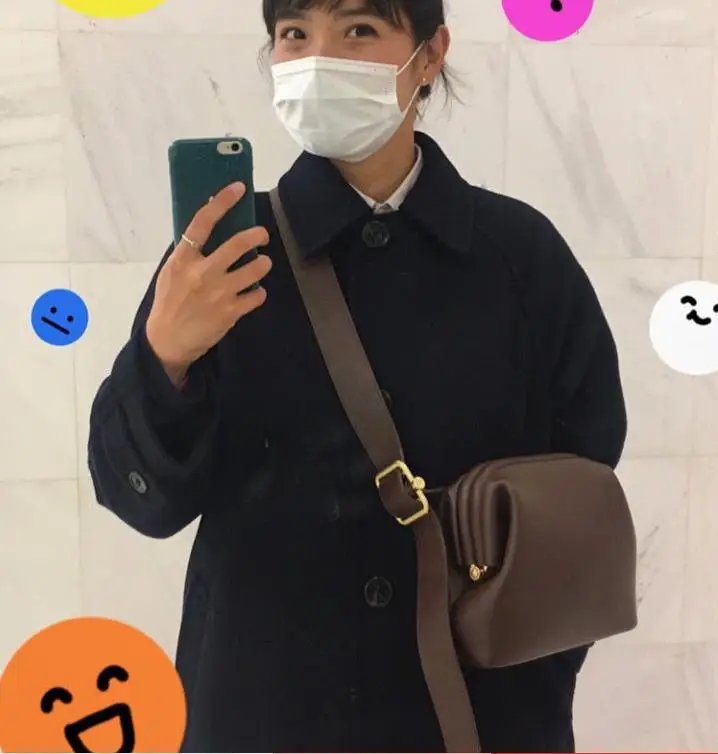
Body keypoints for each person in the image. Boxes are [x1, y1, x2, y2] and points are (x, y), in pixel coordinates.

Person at [87, 0, 628, 751]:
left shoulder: (520, 254)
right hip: (266, 708)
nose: (319, 58)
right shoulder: (224, 261)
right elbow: (139, 500)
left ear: (430, 54)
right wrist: (165, 357)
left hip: (474, 703)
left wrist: (537, 657)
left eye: (359, 30)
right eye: (294, 34)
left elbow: (582, 478)